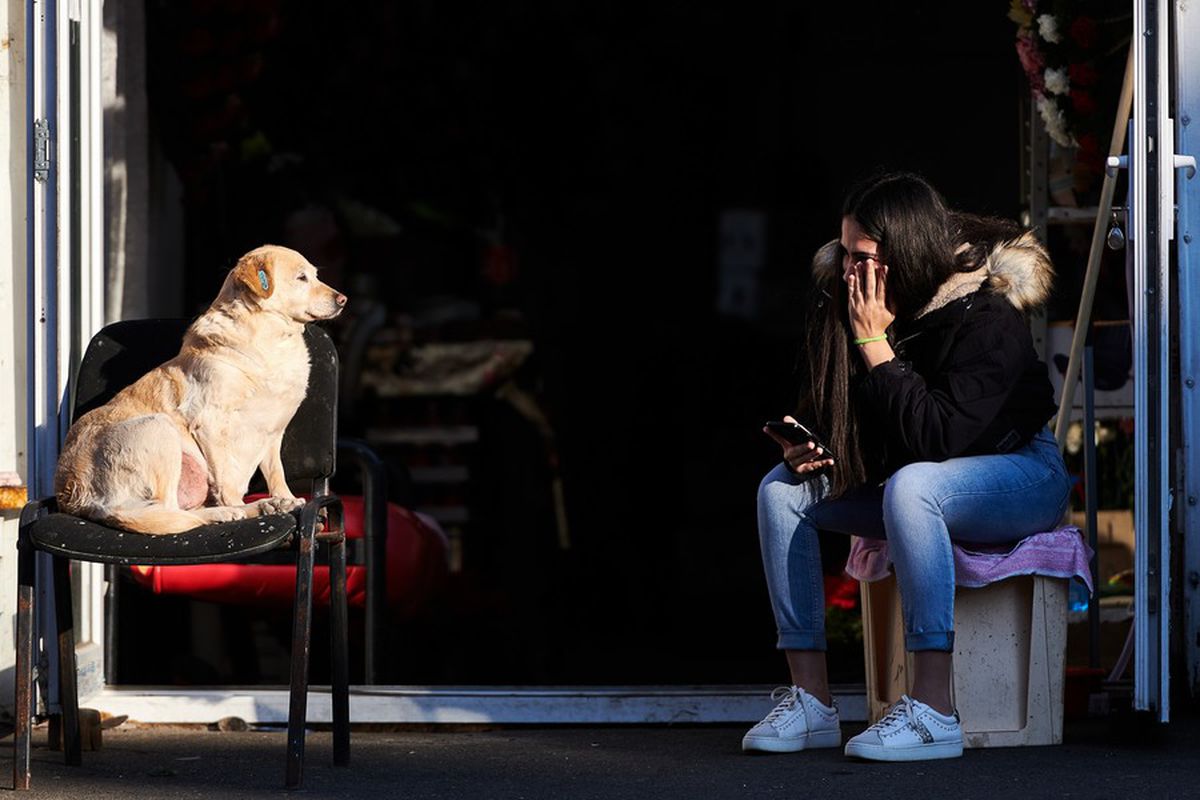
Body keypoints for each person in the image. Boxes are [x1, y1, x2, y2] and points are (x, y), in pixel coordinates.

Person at [742, 172, 1071, 761]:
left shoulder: (988, 316)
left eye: (862, 257)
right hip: (921, 480)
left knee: (914, 486)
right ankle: (812, 703)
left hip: (1019, 472)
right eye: (843, 254)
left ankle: (932, 710)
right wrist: (811, 446)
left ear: (906, 254)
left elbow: (937, 438)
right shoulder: (859, 303)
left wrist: (877, 347)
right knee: (780, 491)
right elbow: (854, 421)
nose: (848, 270)